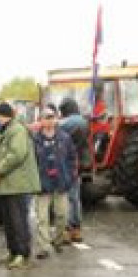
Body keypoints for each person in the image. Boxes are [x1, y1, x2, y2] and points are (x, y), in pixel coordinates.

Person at [0, 102, 41, 269]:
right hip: (8, 184)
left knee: (18, 221)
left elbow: (17, 154)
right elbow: (2, 155)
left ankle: (22, 254)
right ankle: (13, 251)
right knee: (9, 221)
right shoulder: (8, 130)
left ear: (4, 115)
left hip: (17, 183)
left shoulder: (17, 130)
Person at [32, 108, 77, 259]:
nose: (49, 120)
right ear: (41, 120)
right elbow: (31, 162)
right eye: (46, 117)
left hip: (61, 183)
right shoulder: (34, 139)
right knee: (42, 218)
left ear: (56, 119)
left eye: (52, 117)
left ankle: (57, 241)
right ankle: (44, 247)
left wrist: (70, 176)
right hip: (42, 184)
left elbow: (72, 158)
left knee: (62, 215)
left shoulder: (65, 138)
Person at [59, 98, 89, 243]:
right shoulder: (82, 121)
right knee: (75, 198)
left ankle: (68, 230)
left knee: (67, 198)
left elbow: (55, 127)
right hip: (78, 163)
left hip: (67, 164)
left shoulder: (72, 121)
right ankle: (76, 230)